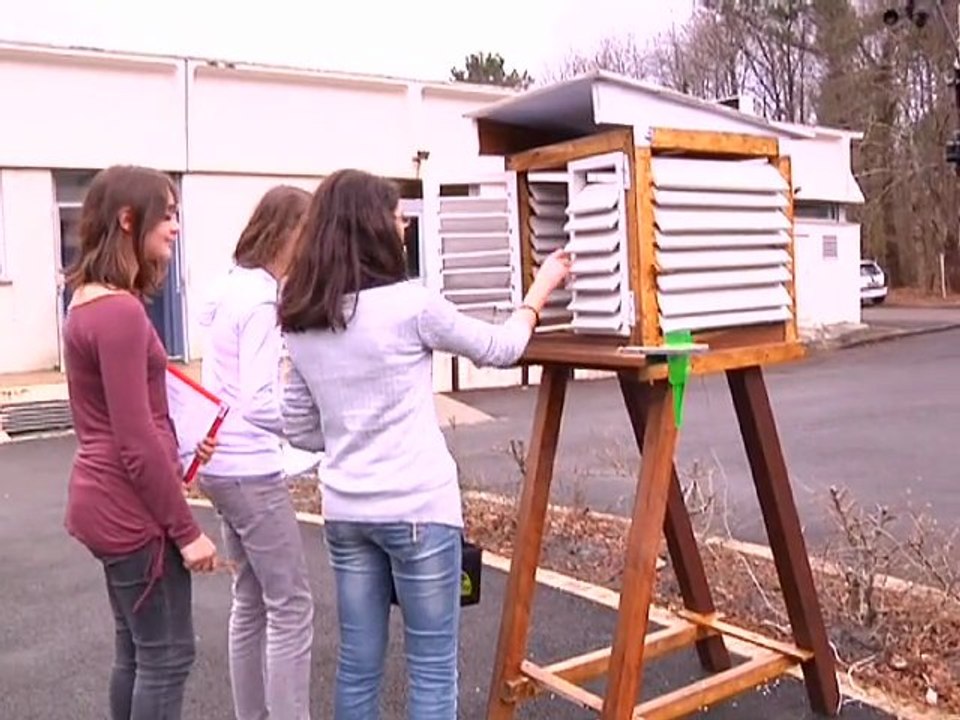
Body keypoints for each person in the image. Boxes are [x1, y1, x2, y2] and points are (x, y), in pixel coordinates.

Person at [277, 168, 571, 720]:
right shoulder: (413, 306)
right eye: (396, 216)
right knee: (432, 669)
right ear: (373, 227)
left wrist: (348, 430)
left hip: (345, 512)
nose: (403, 225)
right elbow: (501, 348)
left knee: (358, 666)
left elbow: (297, 426)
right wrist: (541, 289)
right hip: (418, 509)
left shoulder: (302, 315)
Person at [62, 165, 219, 720]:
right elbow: (134, 438)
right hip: (132, 511)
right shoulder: (122, 312)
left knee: (136, 652)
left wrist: (182, 443)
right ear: (129, 219)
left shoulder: (83, 301)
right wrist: (187, 530)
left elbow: (127, 419)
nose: (175, 226)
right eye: (167, 213)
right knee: (168, 657)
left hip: (103, 499)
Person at [195, 185, 315, 720]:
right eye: (308, 235)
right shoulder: (264, 300)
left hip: (219, 465)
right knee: (291, 604)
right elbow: (260, 399)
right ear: (288, 233)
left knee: (250, 598)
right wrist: (317, 434)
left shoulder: (227, 288)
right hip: (250, 470)